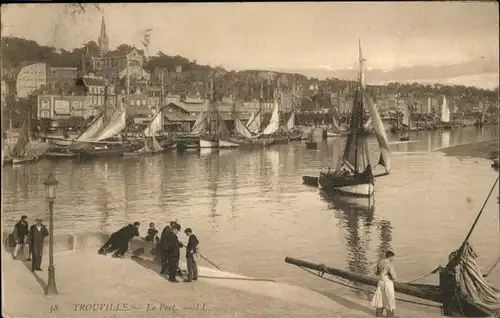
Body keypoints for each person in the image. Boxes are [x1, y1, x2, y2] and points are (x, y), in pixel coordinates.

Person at [371, 250, 397, 317]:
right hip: (387, 282)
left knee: (380, 297)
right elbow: (393, 276)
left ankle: (378, 314)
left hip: (380, 281)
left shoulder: (380, 262)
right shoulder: (390, 264)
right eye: (393, 257)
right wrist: (393, 278)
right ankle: (390, 316)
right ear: (390, 257)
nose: (393, 259)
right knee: (390, 298)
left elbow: (376, 272)